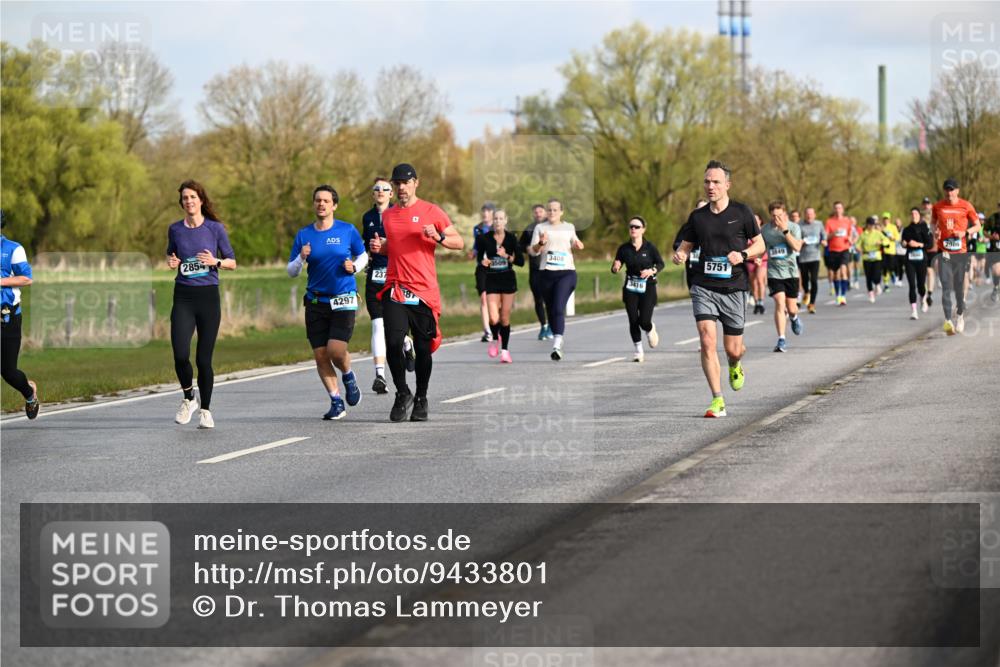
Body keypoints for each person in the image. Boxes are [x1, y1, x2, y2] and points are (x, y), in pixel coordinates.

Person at [369, 163, 464, 422]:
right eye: (397, 183)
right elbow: (397, 246)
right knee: (393, 342)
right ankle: (402, 393)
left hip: (423, 291)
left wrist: (439, 237)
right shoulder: (387, 215)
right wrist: (382, 247)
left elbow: (459, 242)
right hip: (395, 287)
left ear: (416, 183)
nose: (401, 188)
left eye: (406, 183)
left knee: (423, 349)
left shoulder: (431, 211)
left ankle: (421, 397)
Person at [672, 160, 764, 418]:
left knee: (733, 349)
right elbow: (686, 245)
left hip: (734, 287)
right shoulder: (697, 217)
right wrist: (680, 255)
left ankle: (735, 364)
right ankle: (717, 400)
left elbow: (760, 245)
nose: (710, 187)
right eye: (707, 182)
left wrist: (743, 254)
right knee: (706, 341)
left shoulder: (742, 212)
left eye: (715, 182)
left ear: (727, 185)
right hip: (704, 286)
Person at [288, 185, 367, 420]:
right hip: (315, 301)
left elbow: (362, 255)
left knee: (336, 350)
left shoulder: (347, 230)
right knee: (321, 355)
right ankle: (336, 401)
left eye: (325, 201)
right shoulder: (304, 235)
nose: (321, 204)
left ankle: (349, 375)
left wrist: (355, 267)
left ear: (334, 205)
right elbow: (291, 271)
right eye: (317, 201)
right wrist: (301, 258)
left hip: (343, 297)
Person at [166, 181, 236, 429]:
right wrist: (172, 261)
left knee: (203, 360)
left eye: (193, 197)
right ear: (182, 203)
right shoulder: (175, 229)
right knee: (180, 354)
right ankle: (188, 398)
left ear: (201, 200)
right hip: (183, 296)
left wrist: (215, 261)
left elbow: (232, 262)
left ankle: (205, 409)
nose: (189, 201)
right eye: (185, 198)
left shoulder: (215, 228)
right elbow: (171, 254)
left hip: (208, 297)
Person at [528, 198, 584, 361]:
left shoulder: (569, 227)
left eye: (555, 210)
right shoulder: (540, 227)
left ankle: (557, 344)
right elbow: (533, 251)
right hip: (546, 274)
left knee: (558, 307)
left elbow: (575, 242)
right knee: (551, 309)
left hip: (566, 273)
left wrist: (578, 245)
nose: (552, 213)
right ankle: (557, 335)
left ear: (561, 212)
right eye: (549, 210)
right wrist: (540, 243)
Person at [1, 211, 40, 419]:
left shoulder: (13, 249)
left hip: (7, 318)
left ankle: (29, 393)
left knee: (8, 372)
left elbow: (27, 279)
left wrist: (1, 281)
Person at [931, 178, 981, 335]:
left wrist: (965, 233)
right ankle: (947, 321)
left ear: (957, 191)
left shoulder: (966, 206)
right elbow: (933, 223)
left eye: (952, 189)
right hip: (944, 251)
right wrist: (935, 231)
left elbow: (978, 226)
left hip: (960, 253)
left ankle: (960, 316)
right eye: (947, 189)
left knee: (959, 287)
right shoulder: (938, 206)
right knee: (946, 285)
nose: (949, 192)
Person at [612, 216, 665, 362]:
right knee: (633, 320)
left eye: (636, 227)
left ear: (643, 230)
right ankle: (638, 350)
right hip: (630, 287)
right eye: (631, 227)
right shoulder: (624, 248)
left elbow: (661, 264)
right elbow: (616, 264)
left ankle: (649, 328)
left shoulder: (650, 247)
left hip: (648, 287)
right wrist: (615, 267)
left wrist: (651, 271)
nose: (633, 229)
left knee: (644, 320)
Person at [478, 208, 524, 362]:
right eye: (495, 219)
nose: (497, 221)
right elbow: (480, 260)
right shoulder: (484, 238)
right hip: (492, 280)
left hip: (508, 280)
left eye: (500, 219)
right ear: (492, 221)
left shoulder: (511, 238)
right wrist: (484, 263)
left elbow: (521, 262)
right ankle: (494, 340)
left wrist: (507, 256)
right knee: (493, 318)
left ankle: (505, 350)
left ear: (506, 221)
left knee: (504, 318)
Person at [362, 177, 392, 394]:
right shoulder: (368, 218)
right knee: (377, 325)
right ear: (373, 194)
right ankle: (380, 375)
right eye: (377, 189)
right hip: (375, 277)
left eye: (385, 189)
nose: (380, 191)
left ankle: (407, 344)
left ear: (391, 194)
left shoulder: (399, 215)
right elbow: (363, 248)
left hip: (397, 278)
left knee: (395, 330)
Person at [761, 201, 804, 352]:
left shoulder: (793, 227)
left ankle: (794, 318)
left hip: (791, 272)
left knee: (791, 308)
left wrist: (785, 231)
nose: (776, 218)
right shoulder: (765, 230)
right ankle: (781, 339)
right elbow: (761, 248)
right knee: (780, 303)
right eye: (774, 215)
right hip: (774, 272)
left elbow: (797, 247)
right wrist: (759, 256)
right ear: (770, 215)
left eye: (779, 215)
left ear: (784, 213)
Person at [519, 203, 551, 340]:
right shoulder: (529, 229)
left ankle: (551, 325)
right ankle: (543, 326)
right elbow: (520, 246)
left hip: (549, 268)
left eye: (540, 211)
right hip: (534, 269)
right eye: (536, 212)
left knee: (549, 299)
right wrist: (526, 248)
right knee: (538, 299)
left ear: (545, 213)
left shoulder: (551, 227)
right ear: (533, 214)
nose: (538, 214)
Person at [901, 206, 933, 320]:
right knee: (912, 285)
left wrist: (919, 245)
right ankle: (914, 311)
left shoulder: (925, 228)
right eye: (912, 214)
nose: (914, 216)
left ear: (919, 215)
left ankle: (923, 299)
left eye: (916, 214)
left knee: (921, 285)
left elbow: (930, 244)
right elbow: (903, 243)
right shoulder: (907, 229)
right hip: (909, 260)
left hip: (921, 259)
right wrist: (904, 244)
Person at [822, 201, 856, 306]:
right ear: (834, 209)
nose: (838, 210)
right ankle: (838, 295)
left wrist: (851, 239)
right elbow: (826, 236)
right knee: (836, 274)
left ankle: (843, 297)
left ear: (843, 209)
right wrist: (834, 233)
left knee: (843, 270)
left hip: (845, 249)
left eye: (840, 208)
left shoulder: (847, 221)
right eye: (836, 208)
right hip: (833, 250)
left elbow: (853, 235)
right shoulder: (829, 222)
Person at [471, 203, 494, 342]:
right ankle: (487, 331)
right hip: (481, 267)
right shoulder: (477, 229)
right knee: (484, 299)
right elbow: (476, 245)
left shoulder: (498, 228)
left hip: (496, 269)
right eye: (484, 211)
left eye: (488, 211)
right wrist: (473, 253)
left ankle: (495, 326)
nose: (485, 214)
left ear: (493, 213)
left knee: (495, 301)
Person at [797, 206, 825, 314]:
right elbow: (796, 238)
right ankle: (807, 292)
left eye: (811, 214)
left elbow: (824, 236)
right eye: (807, 214)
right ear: (805, 215)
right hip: (803, 257)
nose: (809, 216)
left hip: (815, 256)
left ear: (814, 215)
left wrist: (824, 241)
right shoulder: (799, 225)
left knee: (814, 280)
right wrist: (801, 242)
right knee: (804, 280)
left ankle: (812, 303)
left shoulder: (819, 224)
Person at [858, 216, 889, 302]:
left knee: (877, 273)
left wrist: (881, 242)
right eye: (870, 224)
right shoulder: (863, 235)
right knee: (868, 277)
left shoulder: (878, 233)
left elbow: (886, 240)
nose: (872, 226)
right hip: (867, 257)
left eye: (873, 224)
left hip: (876, 256)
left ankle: (877, 284)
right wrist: (858, 248)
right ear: (867, 225)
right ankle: (871, 293)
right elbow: (858, 244)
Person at [747, 214, 768, 315]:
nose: (754, 221)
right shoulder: (746, 230)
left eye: (756, 219)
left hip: (762, 260)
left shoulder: (764, 231)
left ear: (760, 221)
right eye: (753, 219)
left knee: (760, 280)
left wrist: (760, 257)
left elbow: (766, 245)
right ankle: (756, 303)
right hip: (750, 260)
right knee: (753, 283)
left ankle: (761, 302)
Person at [921, 196, 938, 306]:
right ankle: (924, 293)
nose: (926, 205)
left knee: (930, 271)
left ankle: (929, 294)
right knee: (924, 272)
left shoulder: (936, 218)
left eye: (928, 203)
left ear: (931, 205)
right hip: (922, 249)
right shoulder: (920, 219)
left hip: (934, 248)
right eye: (925, 204)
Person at [880, 212, 900, 290]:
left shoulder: (893, 227)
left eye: (887, 219)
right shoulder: (881, 228)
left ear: (889, 219)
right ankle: (886, 284)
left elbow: (897, 237)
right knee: (884, 268)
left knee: (891, 267)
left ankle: (892, 274)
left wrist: (892, 238)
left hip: (891, 250)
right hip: (883, 250)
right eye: (884, 219)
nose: (885, 220)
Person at [985, 202, 1000, 302]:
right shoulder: (992, 218)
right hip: (995, 249)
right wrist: (991, 237)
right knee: (996, 270)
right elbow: (984, 231)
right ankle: (996, 287)